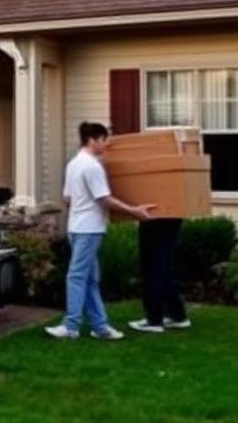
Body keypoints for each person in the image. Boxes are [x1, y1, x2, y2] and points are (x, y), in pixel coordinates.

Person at [46, 122, 154, 341]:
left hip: (75, 227)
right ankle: (72, 326)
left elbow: (67, 198)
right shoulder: (92, 167)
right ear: (93, 140)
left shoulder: (73, 164)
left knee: (88, 279)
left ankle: (99, 326)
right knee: (78, 277)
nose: (107, 144)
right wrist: (134, 211)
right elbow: (104, 198)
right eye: (104, 140)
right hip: (89, 229)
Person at [129, 218, 191, 333]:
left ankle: (154, 320)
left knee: (153, 265)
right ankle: (177, 315)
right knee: (164, 264)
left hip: (154, 215)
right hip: (172, 214)